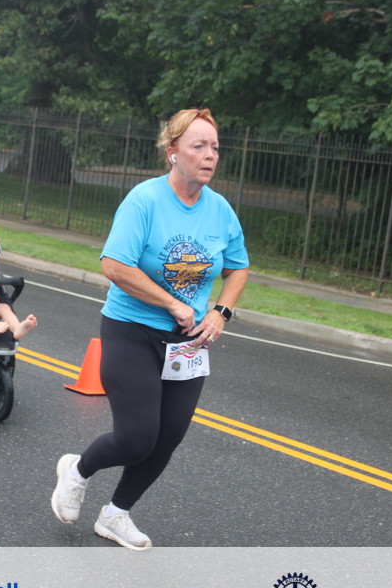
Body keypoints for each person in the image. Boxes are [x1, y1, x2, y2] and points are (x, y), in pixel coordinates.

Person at [50, 108, 249, 550]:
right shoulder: (145, 200)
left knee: (167, 437)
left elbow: (238, 268)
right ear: (172, 151)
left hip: (188, 342)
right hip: (132, 329)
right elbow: (114, 265)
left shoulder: (220, 210)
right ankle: (77, 471)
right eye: (199, 146)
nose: (210, 155)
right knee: (137, 437)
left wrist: (220, 312)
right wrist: (172, 302)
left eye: (215, 147)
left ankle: (116, 514)